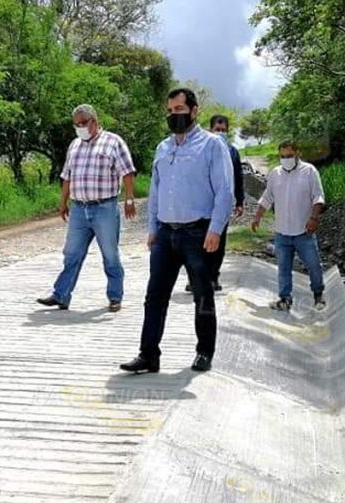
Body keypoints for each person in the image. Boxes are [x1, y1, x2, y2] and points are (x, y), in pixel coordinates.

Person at [120, 88, 234, 374]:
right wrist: (152, 228)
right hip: (165, 235)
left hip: (198, 233)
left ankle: (204, 351)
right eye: (170, 112)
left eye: (179, 110)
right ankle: (148, 354)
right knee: (154, 296)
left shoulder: (212, 145)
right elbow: (156, 191)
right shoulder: (163, 147)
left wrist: (216, 229)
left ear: (194, 111)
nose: (174, 116)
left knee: (202, 295)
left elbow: (225, 191)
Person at [37, 104, 137, 312]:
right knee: (71, 253)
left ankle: (115, 296)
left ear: (94, 121)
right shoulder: (75, 145)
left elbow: (127, 172)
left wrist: (129, 199)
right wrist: (63, 202)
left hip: (105, 208)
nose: (80, 127)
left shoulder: (113, 142)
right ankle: (61, 295)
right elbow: (67, 176)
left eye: (83, 123)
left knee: (110, 254)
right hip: (79, 209)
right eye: (76, 124)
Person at [250, 141, 327, 311]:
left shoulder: (309, 172)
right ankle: (285, 299)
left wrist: (314, 218)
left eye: (289, 156)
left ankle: (318, 295)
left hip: (303, 232)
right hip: (282, 233)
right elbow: (267, 197)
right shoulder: (275, 174)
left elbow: (318, 197)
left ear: (297, 153)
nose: (286, 159)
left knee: (314, 265)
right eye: (282, 156)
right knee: (283, 268)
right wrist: (257, 217)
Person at [185, 114, 244, 292]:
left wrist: (239, 201)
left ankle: (213, 278)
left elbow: (238, 178)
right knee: (195, 244)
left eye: (223, 130)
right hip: (200, 205)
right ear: (210, 129)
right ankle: (194, 279)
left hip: (221, 206)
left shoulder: (233, 152)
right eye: (217, 129)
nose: (220, 133)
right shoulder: (199, 149)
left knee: (218, 243)